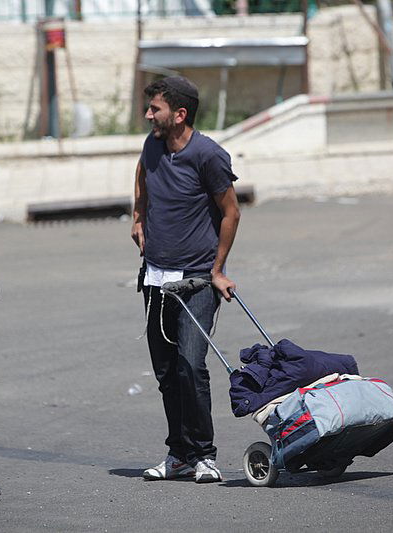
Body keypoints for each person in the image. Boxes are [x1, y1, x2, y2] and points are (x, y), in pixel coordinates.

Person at [131, 76, 241, 483]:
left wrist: (218, 271)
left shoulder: (208, 155)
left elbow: (231, 212)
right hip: (155, 277)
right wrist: (138, 215)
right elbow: (142, 172)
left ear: (179, 114)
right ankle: (178, 454)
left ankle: (204, 455)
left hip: (197, 280)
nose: (147, 115)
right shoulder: (153, 145)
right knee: (165, 373)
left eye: (154, 109)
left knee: (190, 367)